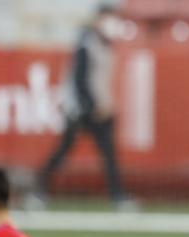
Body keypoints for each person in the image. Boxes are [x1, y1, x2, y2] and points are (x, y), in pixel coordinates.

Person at [33, 2, 135, 209]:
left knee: (108, 153)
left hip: (99, 107)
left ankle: (118, 195)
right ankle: (38, 189)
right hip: (82, 109)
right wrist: (91, 105)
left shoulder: (105, 45)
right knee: (64, 150)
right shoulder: (86, 44)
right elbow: (80, 79)